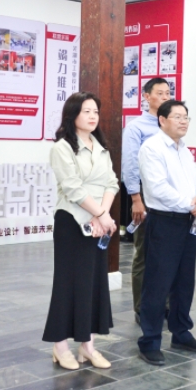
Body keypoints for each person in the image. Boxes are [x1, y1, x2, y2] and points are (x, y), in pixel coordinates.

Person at [43, 92, 118, 370]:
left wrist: (103, 216)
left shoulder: (101, 147)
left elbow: (111, 183)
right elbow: (73, 188)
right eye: (86, 111)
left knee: (93, 285)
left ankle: (88, 346)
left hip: (98, 223)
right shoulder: (62, 148)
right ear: (72, 114)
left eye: (95, 111)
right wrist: (100, 215)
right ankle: (60, 346)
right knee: (68, 284)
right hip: (72, 222)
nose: (92, 116)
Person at [137, 100, 196, 365]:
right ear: (162, 120)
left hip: (188, 221)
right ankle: (150, 341)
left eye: (186, 117)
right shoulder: (152, 148)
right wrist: (192, 204)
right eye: (177, 116)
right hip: (165, 222)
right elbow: (157, 189)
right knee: (158, 284)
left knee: (184, 281)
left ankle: (181, 332)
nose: (183, 121)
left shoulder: (184, 149)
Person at [121, 77, 171, 323]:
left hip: (170, 197)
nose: (165, 97)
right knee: (144, 253)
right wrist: (135, 198)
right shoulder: (136, 128)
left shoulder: (171, 126)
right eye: (160, 93)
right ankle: (142, 308)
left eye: (168, 93)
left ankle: (165, 304)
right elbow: (130, 165)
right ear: (146, 97)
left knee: (167, 253)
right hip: (145, 195)